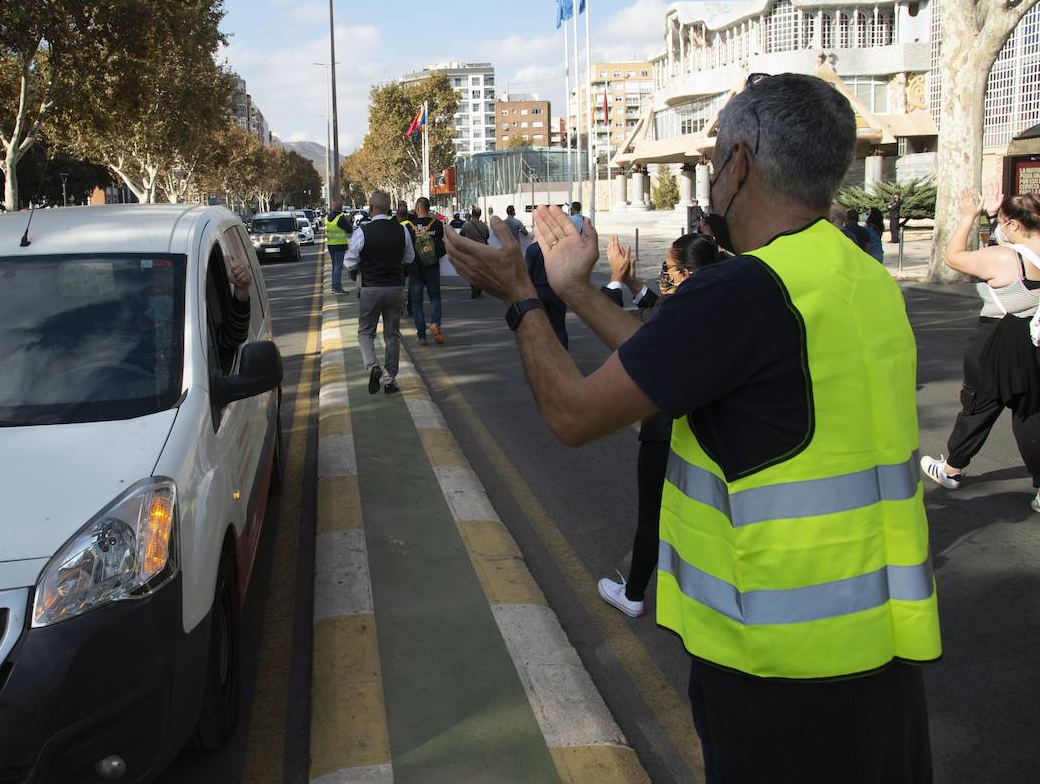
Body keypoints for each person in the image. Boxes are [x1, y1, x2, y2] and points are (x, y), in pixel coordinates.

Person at [446, 73, 938, 782]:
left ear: (741, 160)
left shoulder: (742, 291)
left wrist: (523, 296)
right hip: (879, 669)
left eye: (712, 162)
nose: (709, 178)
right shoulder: (860, 278)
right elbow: (675, 361)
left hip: (777, 680)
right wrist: (576, 288)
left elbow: (574, 413)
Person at [596, 234, 724, 619]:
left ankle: (633, 593)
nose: (662, 275)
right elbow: (659, 307)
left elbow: (616, 331)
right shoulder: (719, 303)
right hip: (708, 432)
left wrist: (616, 281)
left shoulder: (680, 312)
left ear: (685, 274)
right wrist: (636, 285)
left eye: (667, 269)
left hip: (664, 431)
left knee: (651, 516)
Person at [920, 186, 1040, 513]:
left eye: (1003, 221)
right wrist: (990, 216)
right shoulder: (1024, 250)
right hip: (1033, 338)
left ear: (1015, 225)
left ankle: (951, 469)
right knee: (1029, 411)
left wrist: (968, 216)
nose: (999, 227)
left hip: (999, 338)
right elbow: (1000, 248)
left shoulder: (1005, 257)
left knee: (978, 403)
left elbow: (954, 257)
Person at [344, 189, 413, 395]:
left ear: (370, 208)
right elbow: (409, 258)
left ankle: (372, 366)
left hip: (370, 289)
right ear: (389, 208)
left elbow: (349, 262)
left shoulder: (362, 231)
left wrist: (361, 269)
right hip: (395, 289)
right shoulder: (401, 230)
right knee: (392, 335)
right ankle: (390, 380)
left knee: (366, 332)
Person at [407, 197, 447, 345]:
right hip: (432, 267)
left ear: (417, 209)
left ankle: (421, 336)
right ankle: (436, 323)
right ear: (429, 209)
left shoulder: (409, 226)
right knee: (435, 297)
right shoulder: (436, 224)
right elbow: (440, 244)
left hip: (415, 269)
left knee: (417, 303)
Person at [460, 208, 491, 298]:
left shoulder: (466, 225)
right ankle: (479, 287)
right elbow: (487, 236)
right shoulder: (484, 226)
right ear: (480, 215)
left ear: (472, 214)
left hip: (469, 251)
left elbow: (461, 235)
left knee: (471, 270)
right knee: (481, 270)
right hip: (482, 251)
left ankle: (474, 287)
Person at [325, 202, 354, 295]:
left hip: (330, 245)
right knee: (338, 267)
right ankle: (337, 288)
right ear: (340, 209)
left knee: (334, 267)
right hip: (339, 245)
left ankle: (334, 287)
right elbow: (350, 229)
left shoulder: (328, 217)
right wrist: (348, 220)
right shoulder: (340, 218)